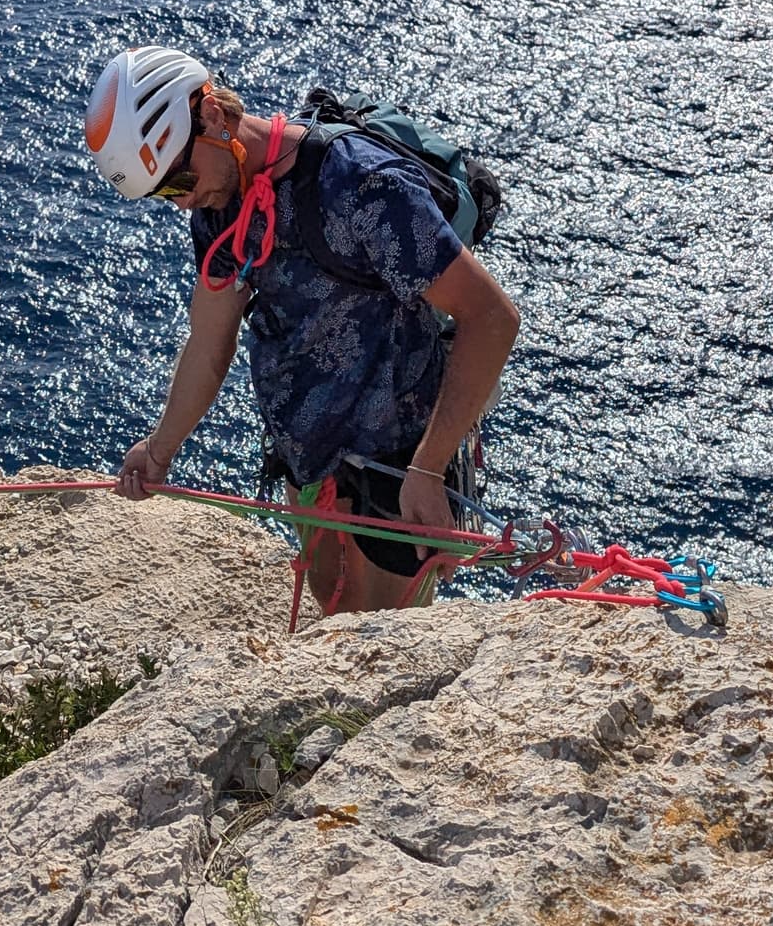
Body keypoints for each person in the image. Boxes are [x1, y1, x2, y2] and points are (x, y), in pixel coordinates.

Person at [83, 45, 521, 613]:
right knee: (331, 614)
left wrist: (428, 468)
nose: (180, 200)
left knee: (381, 646)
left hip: (397, 465)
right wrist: (160, 450)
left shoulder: (361, 184)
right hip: (310, 460)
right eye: (163, 193)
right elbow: (211, 340)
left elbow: (491, 318)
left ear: (212, 114)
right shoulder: (220, 208)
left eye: (178, 179)